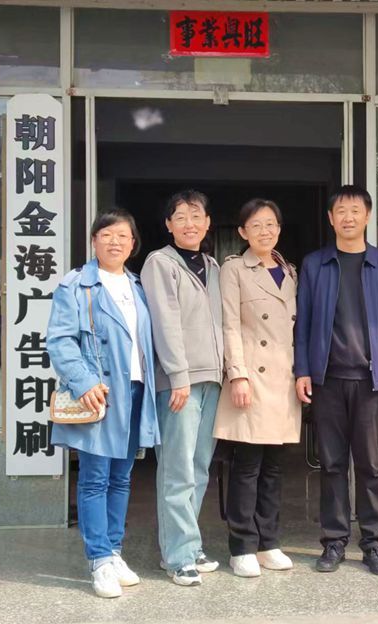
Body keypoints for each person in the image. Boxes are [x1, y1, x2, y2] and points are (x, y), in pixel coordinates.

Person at [294, 185, 378, 576]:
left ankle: (374, 544)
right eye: (340, 211)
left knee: (371, 465)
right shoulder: (315, 264)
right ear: (330, 218)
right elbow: (303, 323)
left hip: (371, 381)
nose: (348, 217)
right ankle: (334, 541)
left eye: (355, 210)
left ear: (367, 216)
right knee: (332, 465)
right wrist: (303, 370)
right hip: (327, 380)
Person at [47, 210, 159, 599]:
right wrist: (83, 382)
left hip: (136, 391)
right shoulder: (77, 285)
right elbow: (60, 340)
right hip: (100, 394)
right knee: (95, 477)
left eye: (123, 235)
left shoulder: (138, 285)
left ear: (133, 243)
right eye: (107, 234)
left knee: (122, 477)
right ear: (94, 240)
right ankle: (98, 560)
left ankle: (114, 551)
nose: (115, 241)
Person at [140, 190, 224, 587]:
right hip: (180, 382)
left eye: (196, 216)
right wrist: (178, 375)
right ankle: (176, 556)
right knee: (177, 469)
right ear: (168, 225)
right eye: (180, 216)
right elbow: (166, 323)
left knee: (199, 466)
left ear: (207, 223)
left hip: (212, 378)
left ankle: (189, 545)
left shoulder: (212, 266)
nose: (189, 223)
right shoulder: (160, 263)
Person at [215, 199, 301, 578]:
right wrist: (238, 374)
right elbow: (230, 324)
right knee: (247, 466)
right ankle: (242, 546)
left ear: (279, 230)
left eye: (271, 224)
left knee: (274, 468)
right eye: (256, 225)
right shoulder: (234, 269)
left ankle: (269, 542)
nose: (265, 231)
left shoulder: (290, 271)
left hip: (283, 380)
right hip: (252, 377)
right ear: (242, 232)